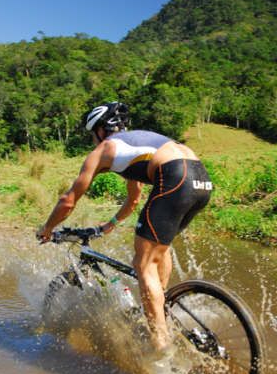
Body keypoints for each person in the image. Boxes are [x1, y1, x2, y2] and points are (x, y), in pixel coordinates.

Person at [37, 102, 212, 352]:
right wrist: (110, 225)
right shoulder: (134, 145)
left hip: (175, 177)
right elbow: (133, 200)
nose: (93, 140)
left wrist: (47, 228)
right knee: (158, 250)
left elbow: (68, 200)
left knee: (143, 264)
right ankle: (160, 310)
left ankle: (160, 346)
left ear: (99, 130)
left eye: (92, 134)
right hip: (200, 179)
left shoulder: (105, 148)